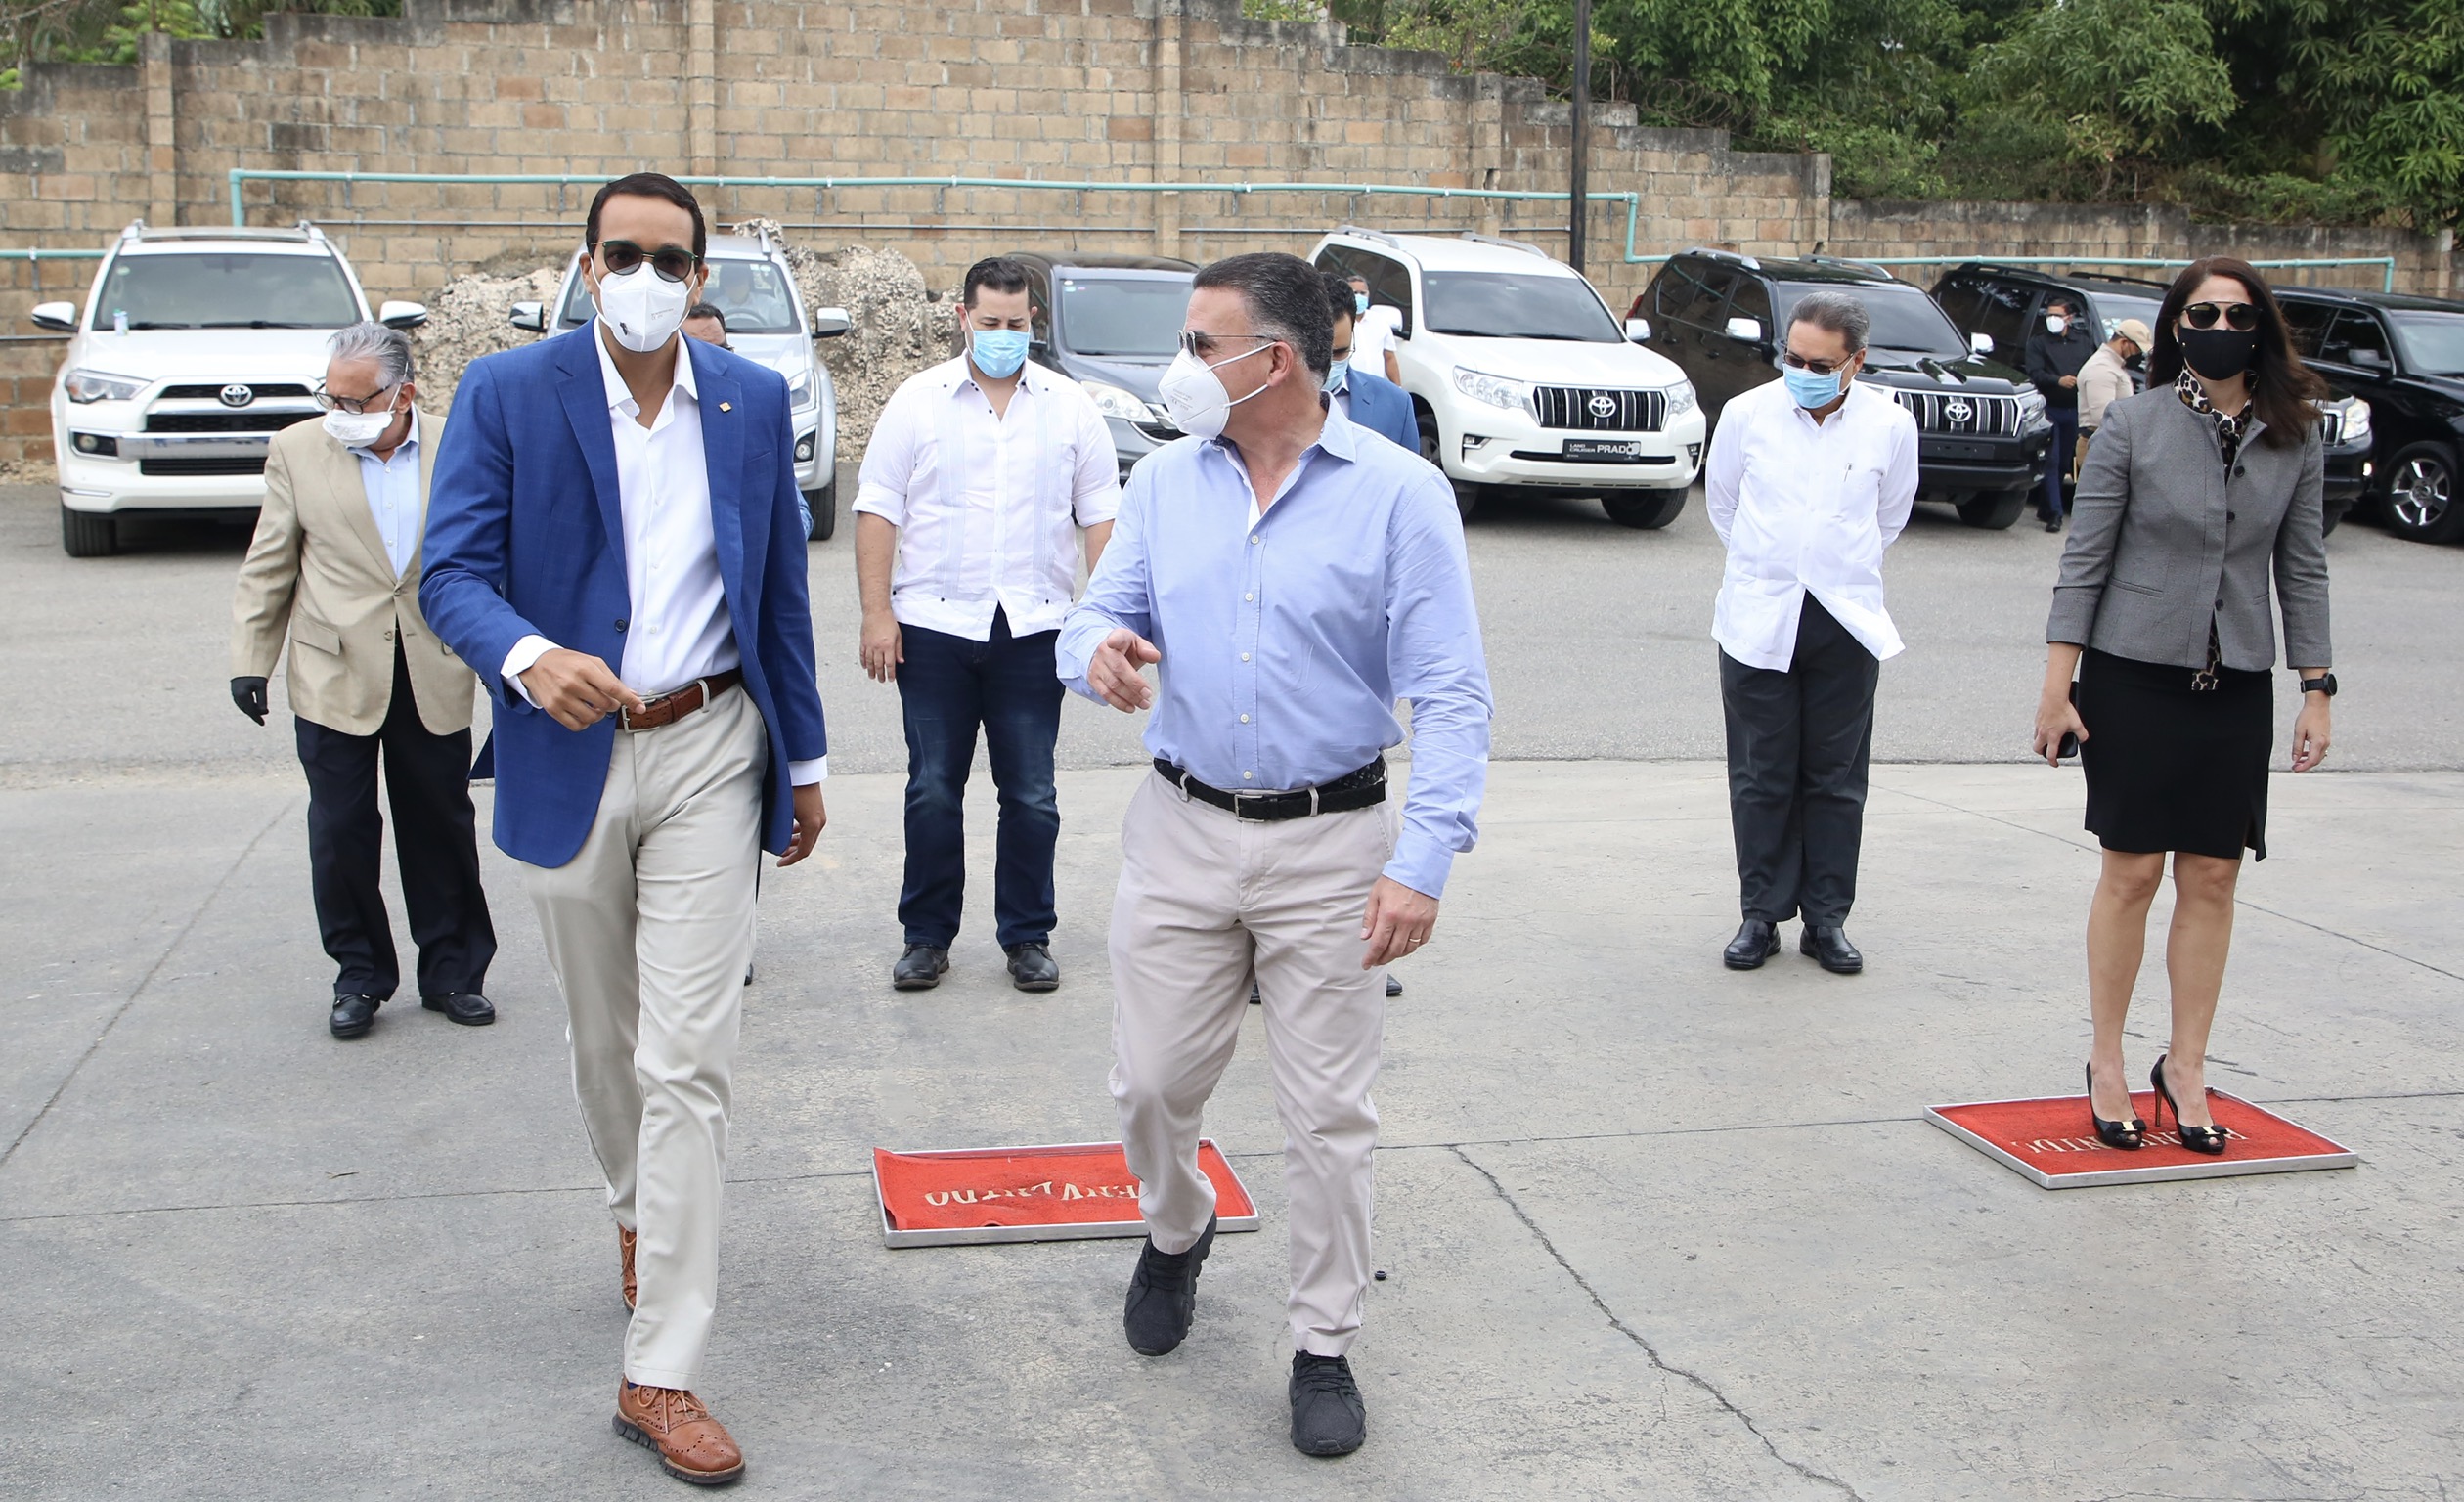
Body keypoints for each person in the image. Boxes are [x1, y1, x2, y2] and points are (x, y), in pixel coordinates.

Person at [421, 172, 829, 1486]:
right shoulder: (509, 393)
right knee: (608, 1047)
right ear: (587, 266)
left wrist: (805, 762)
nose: (646, 277)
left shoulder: (750, 400)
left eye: (670, 258)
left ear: (700, 276)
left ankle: (661, 1367)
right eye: (623, 253)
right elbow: (450, 575)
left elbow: (778, 595)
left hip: (712, 742)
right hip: (569, 754)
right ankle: (633, 1214)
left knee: (689, 1059)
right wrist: (528, 656)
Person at [1057, 252, 1491, 1459]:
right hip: (1181, 830)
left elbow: (1452, 692)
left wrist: (1423, 860)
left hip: (1331, 845)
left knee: (1328, 1116)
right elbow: (1098, 613)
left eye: (1201, 345)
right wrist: (1095, 655)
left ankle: (1323, 1344)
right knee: (1150, 1085)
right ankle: (1178, 1227)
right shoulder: (1164, 483)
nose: (1182, 365)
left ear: (1275, 361)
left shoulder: (1399, 496)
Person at [2033, 256, 2332, 1159]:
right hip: (2132, 678)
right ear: (2175, 327)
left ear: (2261, 327)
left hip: (2235, 682)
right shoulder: (2133, 422)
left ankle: (2187, 1066)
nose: (2219, 328)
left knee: (2213, 876)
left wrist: (2316, 687)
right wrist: (2058, 685)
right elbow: (2085, 558)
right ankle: (2107, 1060)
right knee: (2131, 873)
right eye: (2201, 314)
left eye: (2237, 314)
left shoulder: (2294, 433)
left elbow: (2302, 568)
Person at [854, 256, 1120, 993]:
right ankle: (926, 937)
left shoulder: (1070, 406)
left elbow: (1101, 516)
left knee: (1031, 794)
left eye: (1017, 322)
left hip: (1033, 631)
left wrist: (1105, 621)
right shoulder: (918, 402)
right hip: (932, 628)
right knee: (933, 789)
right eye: (990, 321)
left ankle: (1027, 936)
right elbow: (878, 508)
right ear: (963, 317)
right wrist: (877, 614)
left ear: (1034, 321)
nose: (1005, 334)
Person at [230, 323, 497, 1040]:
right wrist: (251, 659)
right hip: (332, 669)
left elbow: (492, 548)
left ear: (403, 393)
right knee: (341, 830)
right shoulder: (296, 450)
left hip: (432, 664)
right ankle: (359, 976)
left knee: (439, 825)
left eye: (356, 401)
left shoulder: (457, 442)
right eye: (331, 399)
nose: (340, 414)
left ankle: (453, 972)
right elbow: (270, 560)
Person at [1706, 290, 1917, 977]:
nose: (1802, 372)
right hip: (1759, 618)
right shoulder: (1747, 414)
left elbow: (1890, 517)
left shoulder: (1890, 424)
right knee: (1761, 774)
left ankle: (1827, 919)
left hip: (1845, 619)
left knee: (1835, 777)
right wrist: (1773, 567)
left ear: (1855, 362)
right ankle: (1760, 915)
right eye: (1792, 358)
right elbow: (1724, 505)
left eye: (1819, 364)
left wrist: (1830, 567)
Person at [1319, 269, 1417, 451]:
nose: (1328, 365)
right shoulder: (1266, 400)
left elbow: (1390, 357)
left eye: (1340, 352)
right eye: (1320, 353)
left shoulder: (1395, 405)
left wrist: (1397, 386)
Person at [2025, 295, 2099, 532]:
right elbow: (2034, 373)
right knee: (2052, 459)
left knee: (2064, 462)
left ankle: (2046, 506)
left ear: (2069, 318)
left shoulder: (2082, 342)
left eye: (2057, 315)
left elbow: (2092, 368)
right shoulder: (2039, 342)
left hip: (2073, 410)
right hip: (2049, 409)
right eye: (2049, 315)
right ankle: (2056, 514)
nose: (2052, 320)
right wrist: (2057, 381)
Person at [2077, 317, 2150, 436]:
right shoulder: (2101, 368)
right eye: (2137, 350)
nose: (2138, 354)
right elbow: (2103, 417)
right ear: (2123, 343)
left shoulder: (2114, 365)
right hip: (2101, 441)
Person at [1345, 272, 1404, 386]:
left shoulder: (1379, 321)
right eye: (1355, 293)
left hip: (1375, 387)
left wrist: (1398, 388)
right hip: (1349, 387)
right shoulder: (1339, 323)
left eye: (1363, 293)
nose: (1359, 297)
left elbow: (1389, 358)